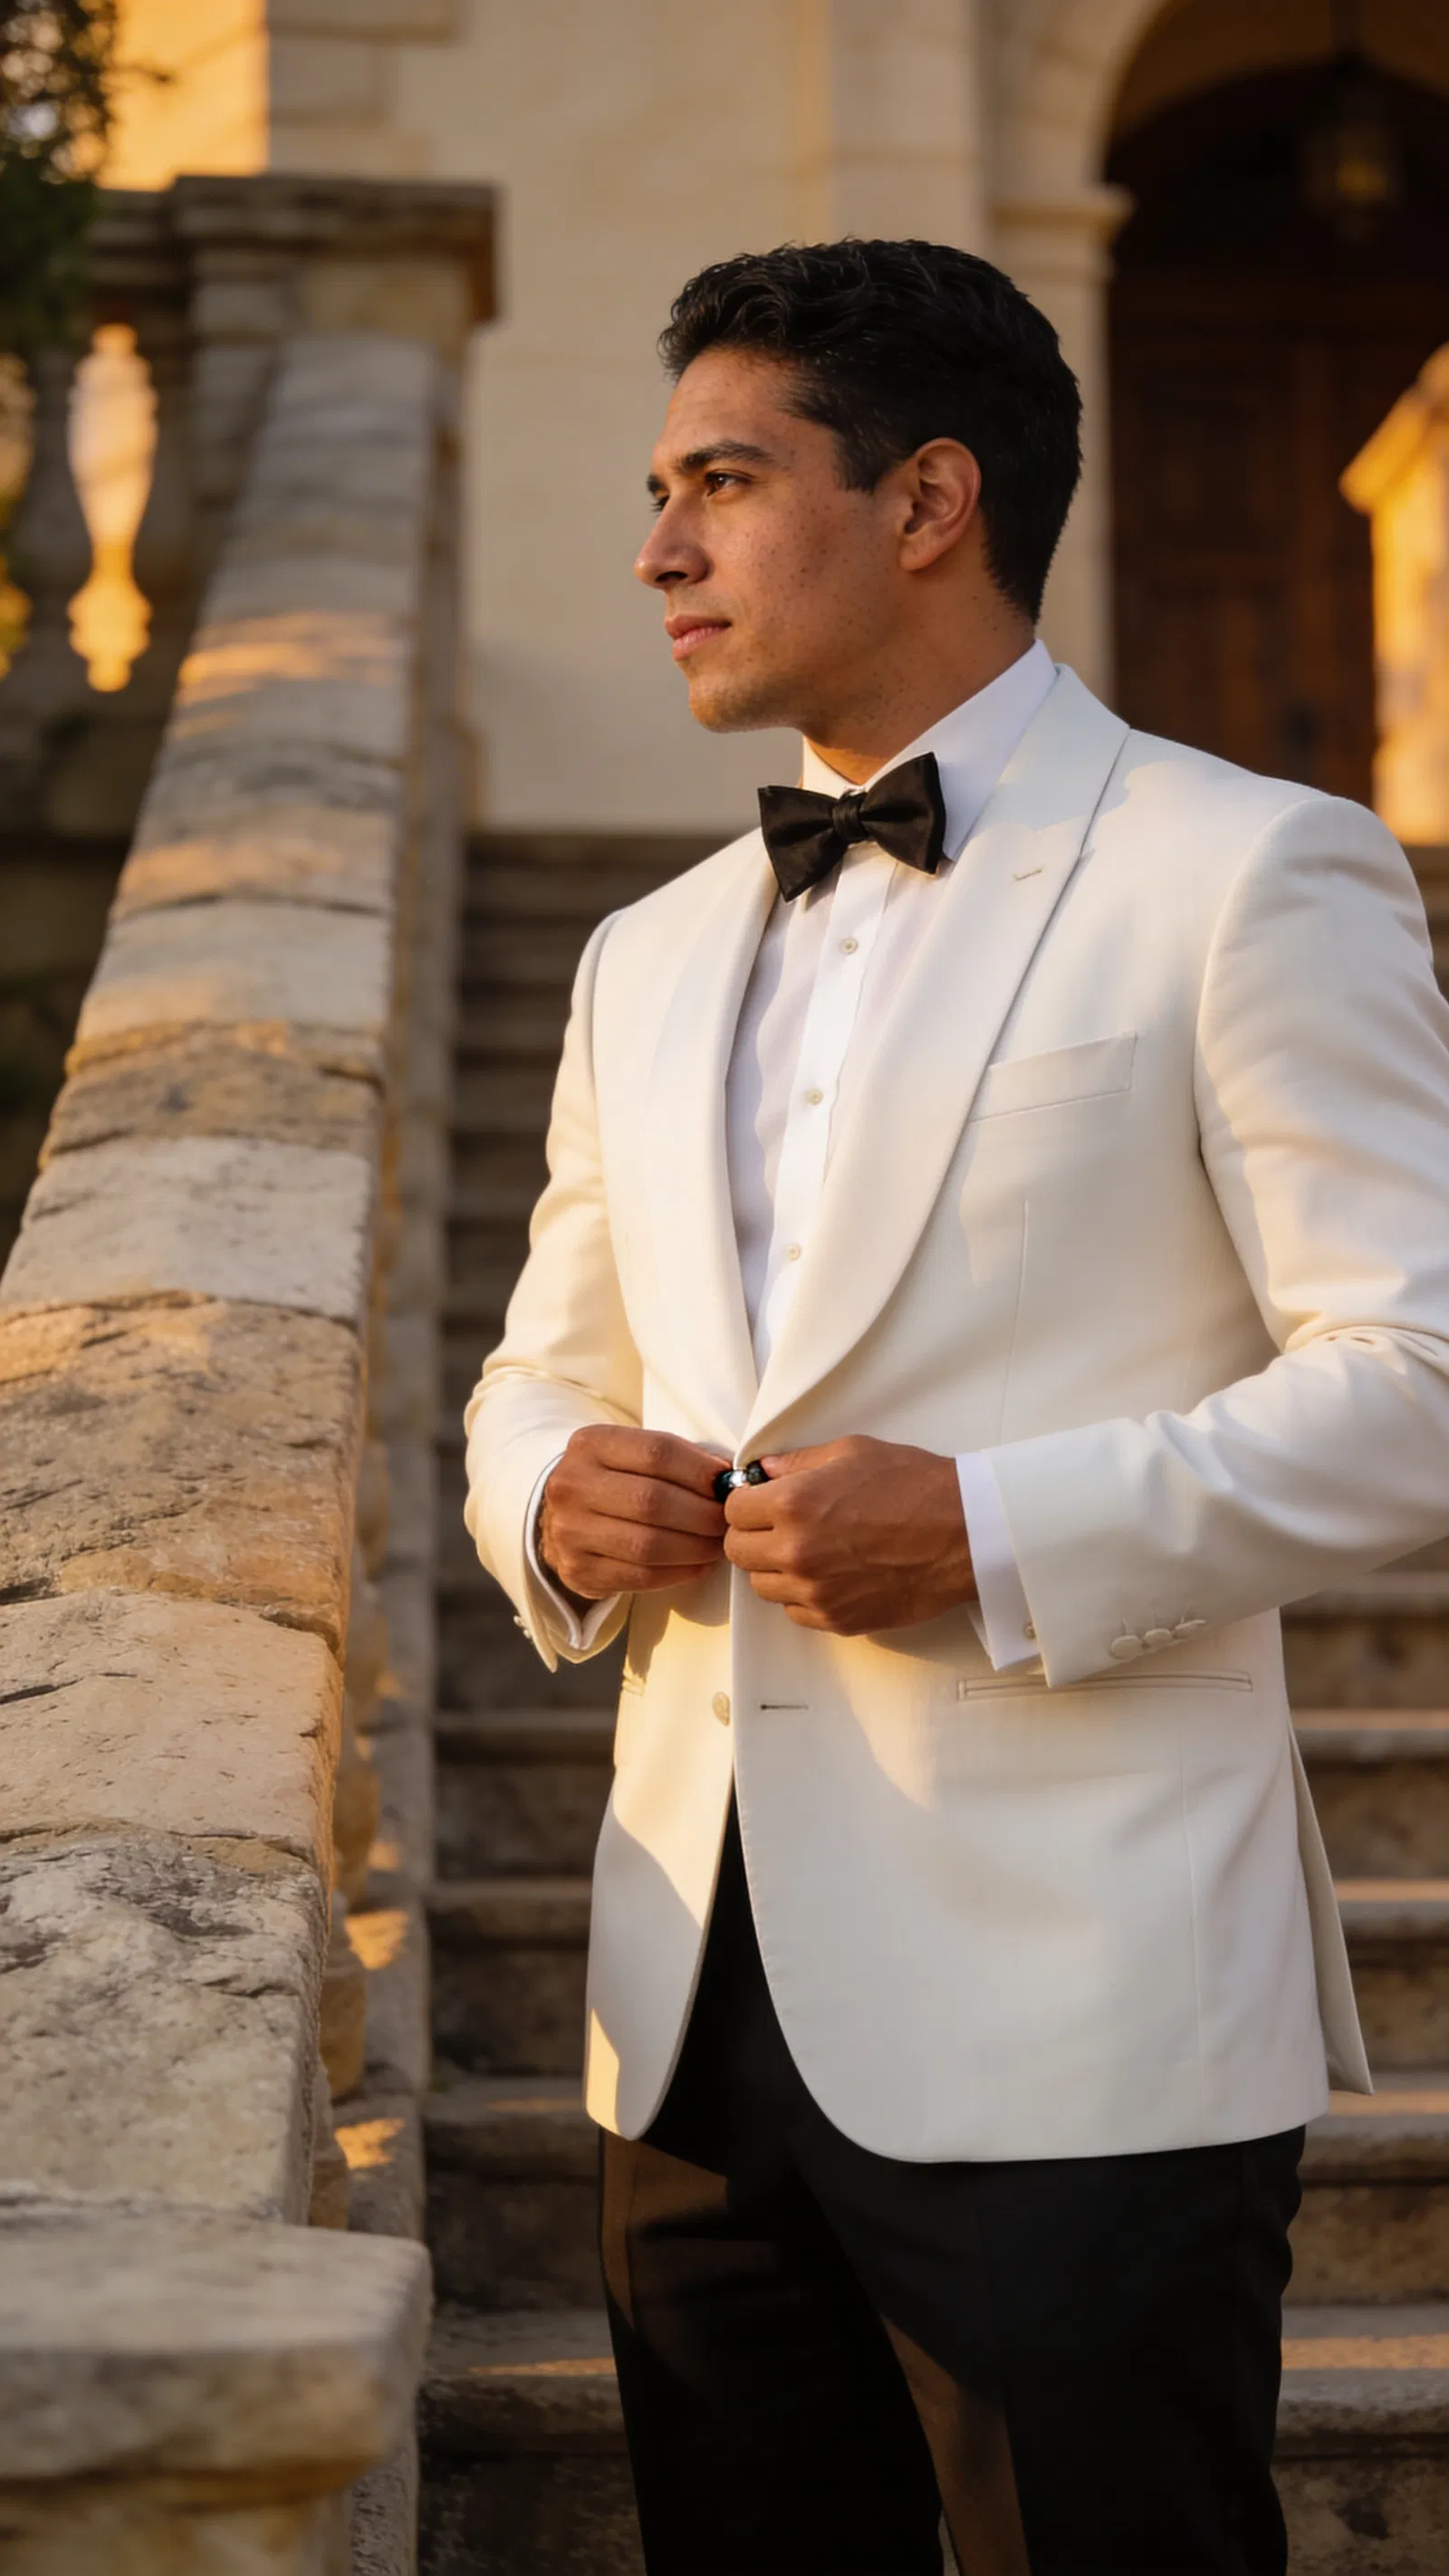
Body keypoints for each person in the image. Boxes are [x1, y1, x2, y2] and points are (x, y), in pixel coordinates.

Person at [463, 238, 1449, 2575]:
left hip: (1080, 1995)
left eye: (724, 479)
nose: (658, 550)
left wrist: (993, 1530)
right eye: (654, 488)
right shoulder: (647, 949)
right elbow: (536, 1372)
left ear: (928, 499)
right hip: (690, 2004)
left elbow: (1418, 1379)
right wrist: (553, 1500)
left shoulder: (1246, 869)